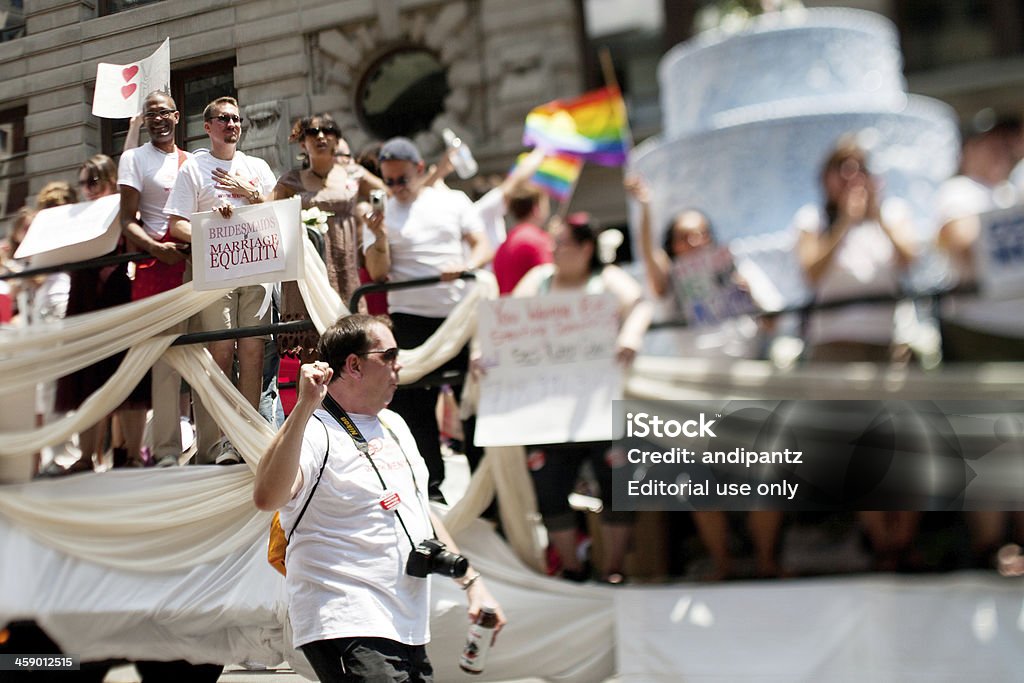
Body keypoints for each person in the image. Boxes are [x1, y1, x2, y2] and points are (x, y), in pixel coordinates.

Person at [253, 314, 505, 682]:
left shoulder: (394, 424)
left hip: (404, 622)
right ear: (353, 365)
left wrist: (473, 585)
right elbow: (267, 497)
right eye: (388, 355)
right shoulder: (314, 431)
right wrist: (305, 406)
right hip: (346, 619)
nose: (398, 364)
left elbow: (419, 511)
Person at [511, 214, 651, 583]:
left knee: (617, 482)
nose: (554, 252)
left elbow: (640, 304)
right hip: (548, 409)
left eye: (563, 244)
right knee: (551, 487)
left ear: (586, 248)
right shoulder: (537, 281)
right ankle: (573, 566)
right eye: (552, 244)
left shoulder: (606, 279)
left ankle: (615, 566)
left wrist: (630, 337)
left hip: (600, 406)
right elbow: (505, 321)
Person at [363, 136, 491, 500]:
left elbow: (482, 245)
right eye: (388, 180)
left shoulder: (453, 201)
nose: (395, 187)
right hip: (410, 318)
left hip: (460, 317)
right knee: (413, 402)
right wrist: (378, 238)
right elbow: (377, 271)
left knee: (475, 397)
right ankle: (431, 489)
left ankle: (485, 493)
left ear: (420, 170)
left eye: (401, 178)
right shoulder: (378, 213)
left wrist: (464, 265)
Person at [166, 95, 278, 465]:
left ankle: (242, 440)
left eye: (237, 119)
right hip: (215, 273)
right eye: (224, 119)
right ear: (208, 127)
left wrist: (253, 195)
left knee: (253, 351)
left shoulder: (257, 166)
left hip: (257, 270)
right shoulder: (193, 169)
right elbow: (175, 225)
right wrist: (211, 224)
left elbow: (279, 215)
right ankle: (213, 444)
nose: (232, 124)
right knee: (219, 352)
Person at [52, 154, 149, 473]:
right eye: (83, 183)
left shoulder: (125, 213)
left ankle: (133, 454)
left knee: (129, 380)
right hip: (84, 301)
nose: (87, 189)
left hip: (120, 298)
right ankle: (86, 456)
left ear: (110, 181)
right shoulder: (77, 218)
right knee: (86, 381)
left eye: (93, 182)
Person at [118, 90, 193, 468]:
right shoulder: (134, 159)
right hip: (157, 265)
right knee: (165, 361)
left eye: (164, 112)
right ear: (144, 121)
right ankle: (165, 449)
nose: (158, 119)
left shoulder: (193, 161)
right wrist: (155, 249)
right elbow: (126, 220)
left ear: (177, 116)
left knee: (209, 353)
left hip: (195, 265)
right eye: (151, 114)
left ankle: (213, 444)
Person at [795, 137, 918, 362]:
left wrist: (877, 214)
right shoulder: (813, 219)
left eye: (860, 169)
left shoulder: (892, 213)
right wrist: (844, 223)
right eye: (842, 170)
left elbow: (910, 260)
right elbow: (811, 273)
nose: (851, 179)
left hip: (885, 340)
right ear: (826, 178)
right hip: (834, 341)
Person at [272, 113, 381, 360]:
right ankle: (313, 399)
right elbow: (267, 212)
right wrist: (248, 193)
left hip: (345, 267)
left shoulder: (354, 174)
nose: (321, 136)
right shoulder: (291, 180)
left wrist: (371, 217)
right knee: (313, 353)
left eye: (328, 130)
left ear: (337, 140)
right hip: (311, 269)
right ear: (302, 143)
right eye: (312, 132)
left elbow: (389, 194)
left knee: (352, 346)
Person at [492, 182, 552, 295]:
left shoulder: (504, 243)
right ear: (536, 209)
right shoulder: (538, 240)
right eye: (545, 204)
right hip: (531, 309)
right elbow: (548, 279)